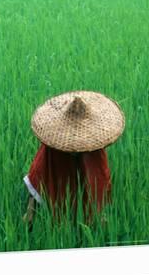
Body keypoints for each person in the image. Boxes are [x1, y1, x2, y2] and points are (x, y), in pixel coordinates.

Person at [23, 90, 125, 225]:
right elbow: (40, 176)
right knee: (45, 185)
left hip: (88, 159)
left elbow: (98, 178)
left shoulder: (95, 151)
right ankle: (33, 213)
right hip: (59, 162)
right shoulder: (51, 149)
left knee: (91, 180)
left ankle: (93, 215)